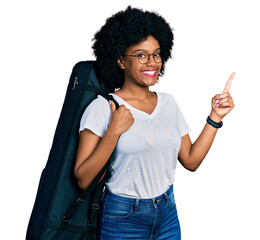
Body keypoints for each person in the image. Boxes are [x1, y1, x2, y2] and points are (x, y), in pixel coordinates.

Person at [74, 6, 235, 240]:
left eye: (156, 54)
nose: (152, 63)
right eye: (141, 55)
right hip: (123, 217)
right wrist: (114, 131)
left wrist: (215, 118)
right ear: (120, 60)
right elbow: (83, 178)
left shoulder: (168, 103)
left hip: (167, 213)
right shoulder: (102, 108)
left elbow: (190, 160)